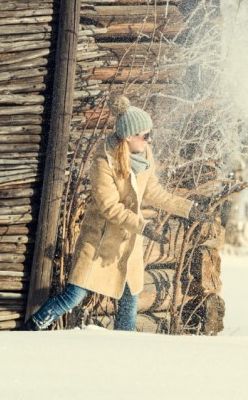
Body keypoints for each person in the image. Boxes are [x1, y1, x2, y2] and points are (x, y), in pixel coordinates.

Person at [26, 96, 201, 331]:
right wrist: (143, 226)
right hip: (100, 242)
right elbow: (109, 207)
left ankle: (122, 349)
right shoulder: (103, 161)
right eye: (145, 135)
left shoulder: (144, 156)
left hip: (128, 244)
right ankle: (31, 330)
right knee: (74, 295)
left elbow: (154, 192)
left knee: (130, 299)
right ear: (129, 136)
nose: (150, 140)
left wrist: (189, 209)